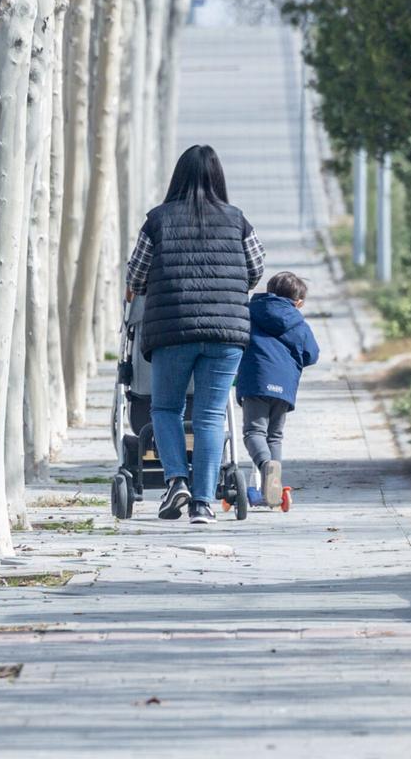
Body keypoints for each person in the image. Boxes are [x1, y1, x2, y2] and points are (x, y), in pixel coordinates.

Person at [125, 145, 264, 524]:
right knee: (209, 416)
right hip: (226, 333)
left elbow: (135, 277)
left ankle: (176, 481)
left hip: (172, 331)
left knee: (166, 408)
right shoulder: (238, 221)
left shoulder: (157, 220)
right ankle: (203, 504)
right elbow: (255, 269)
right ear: (218, 177)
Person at [235, 271, 319, 507]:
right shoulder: (299, 323)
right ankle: (274, 487)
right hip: (284, 386)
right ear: (299, 302)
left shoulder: (249, 311)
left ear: (268, 291)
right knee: (275, 435)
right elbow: (312, 355)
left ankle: (265, 467)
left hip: (255, 380)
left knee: (254, 432)